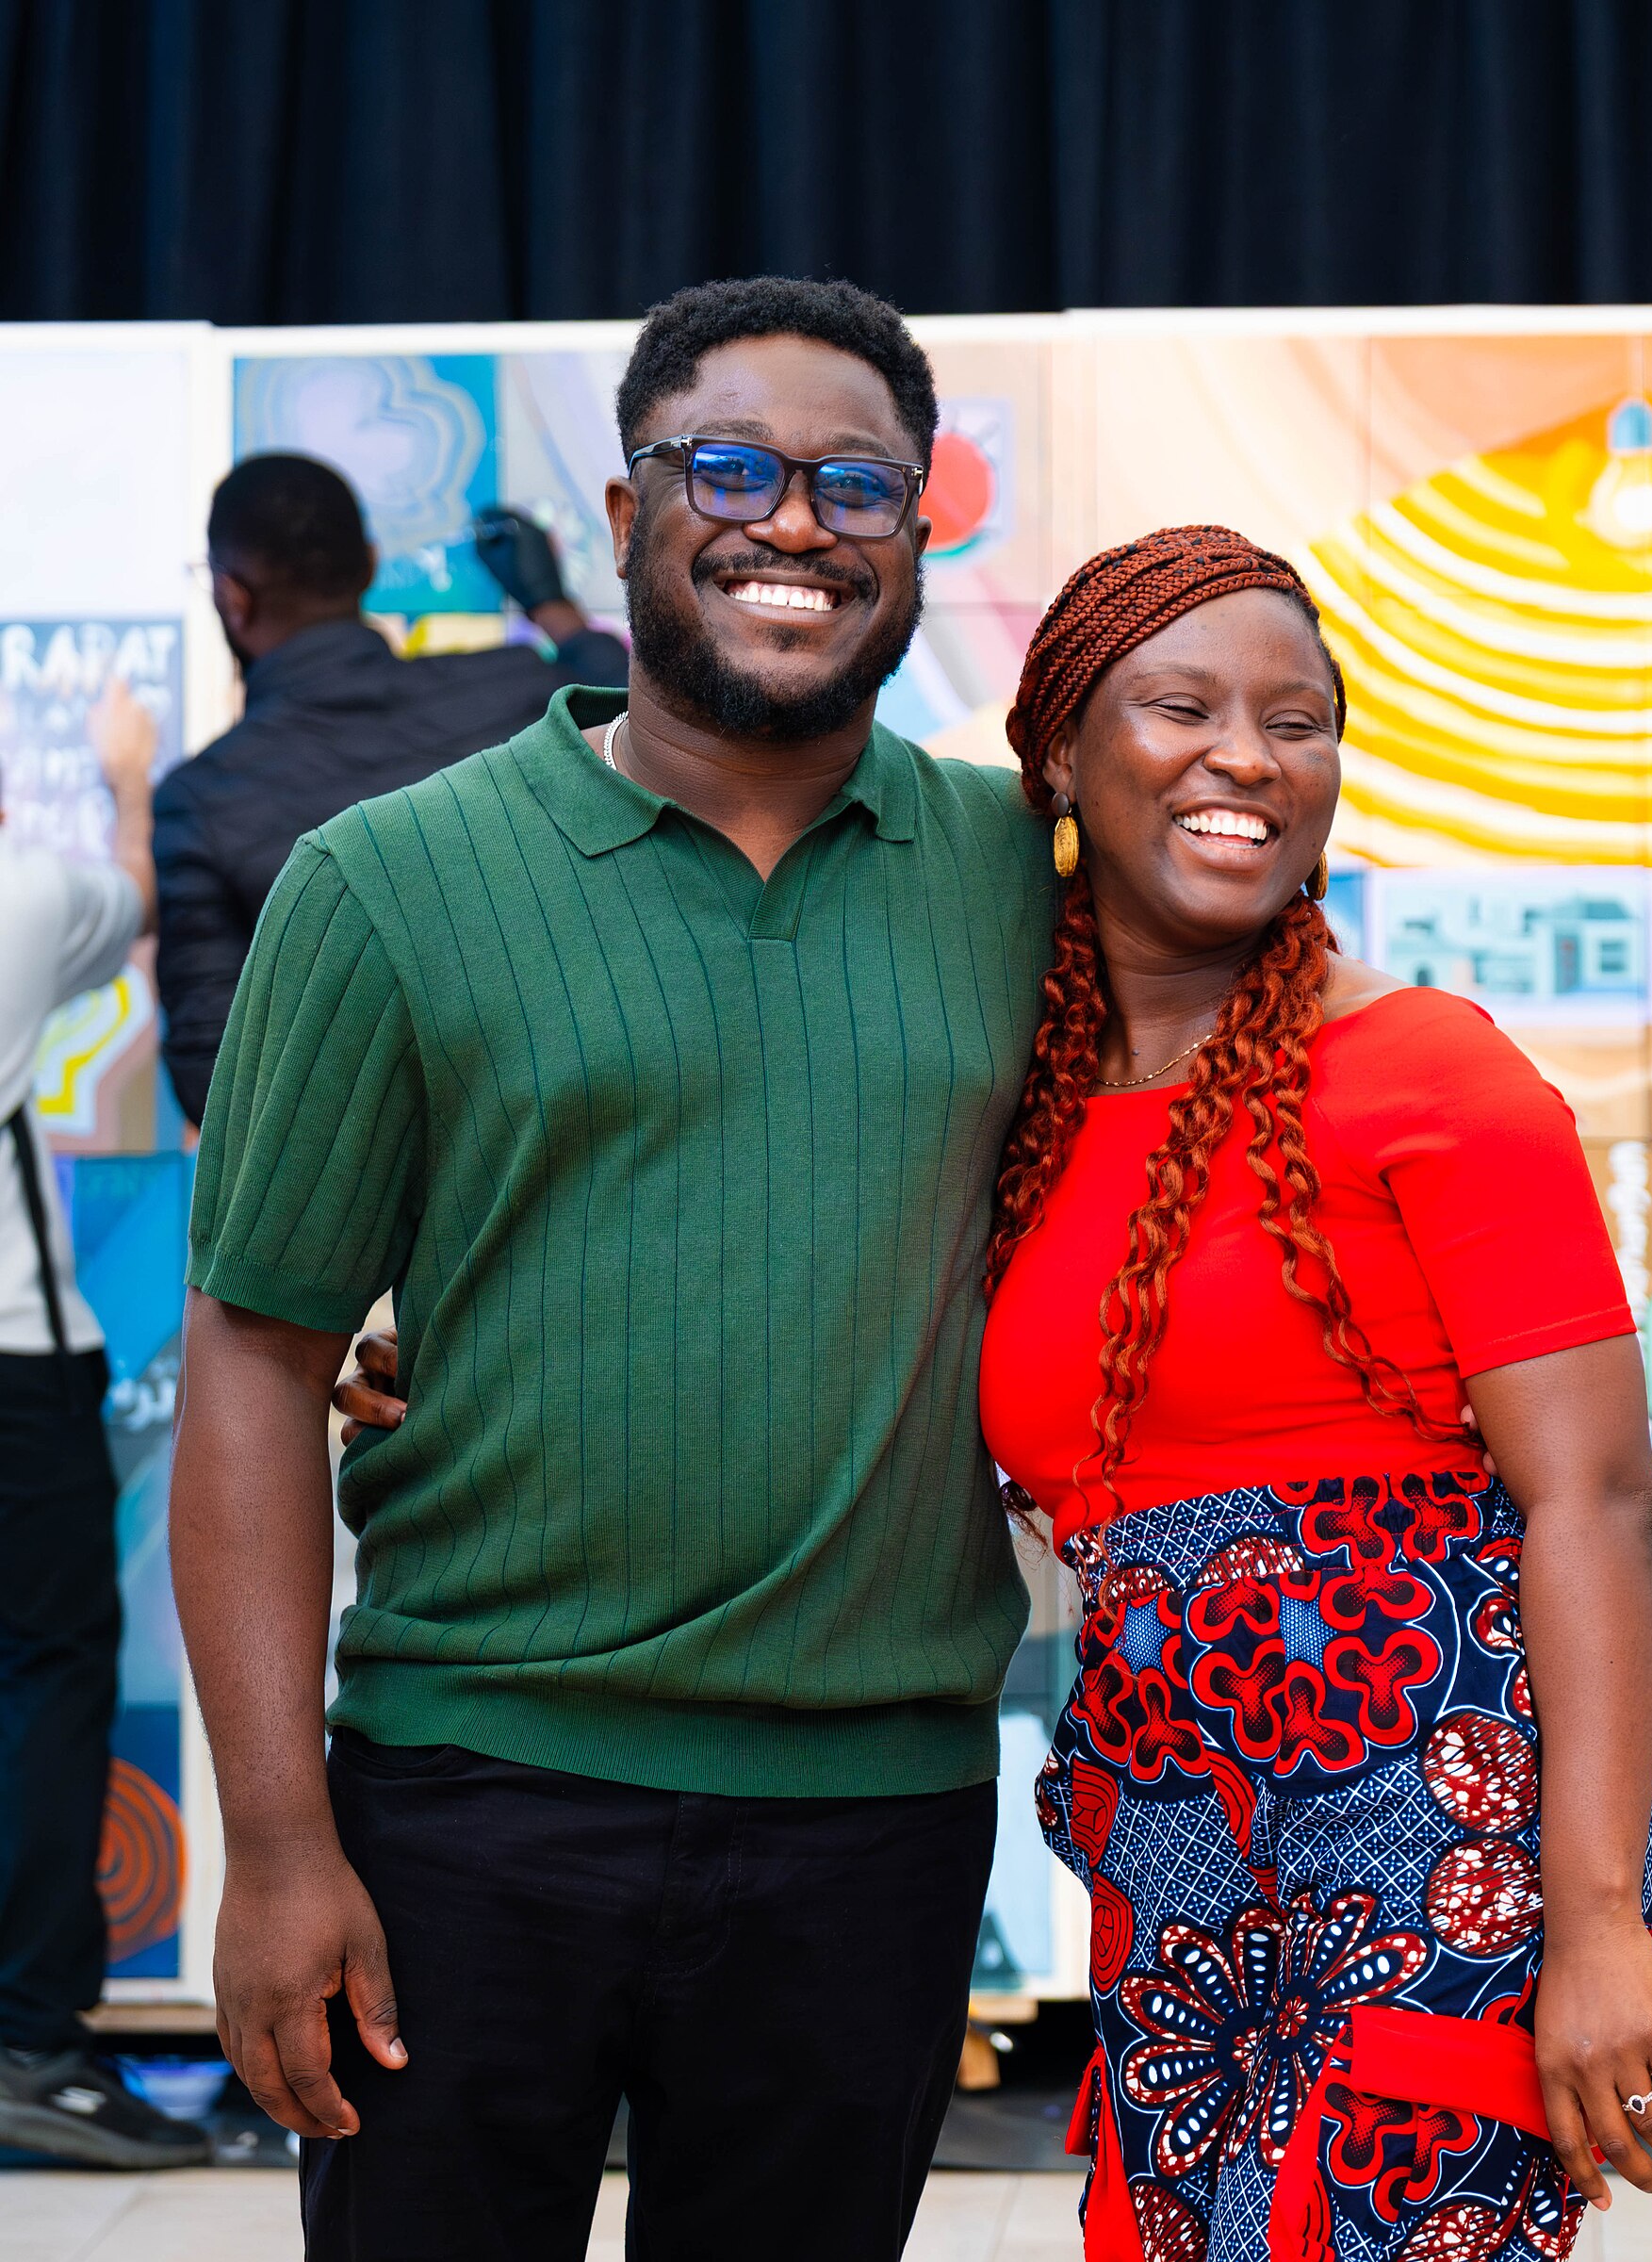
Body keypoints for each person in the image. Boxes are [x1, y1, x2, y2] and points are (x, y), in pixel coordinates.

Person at [168, 278, 1057, 2262]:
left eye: (861, 485)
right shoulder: (387, 883)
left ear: (923, 528)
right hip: (473, 1801)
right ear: (626, 503)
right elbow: (251, 1362)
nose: (795, 525)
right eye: (727, 468)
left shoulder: (1024, 882)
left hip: (875, 1821)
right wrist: (278, 1843)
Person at [975, 526, 1652, 2259]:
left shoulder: (1430, 1075)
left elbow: (1593, 1499)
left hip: (1444, 1818)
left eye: (1298, 721)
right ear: (1064, 755)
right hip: (1175, 1859)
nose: (1249, 756)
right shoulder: (1017, 1121)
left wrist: (1599, 1925)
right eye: (1184, 706)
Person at [152, 454, 629, 1125]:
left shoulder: (198, 802)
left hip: (372, 1213)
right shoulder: (524, 691)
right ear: (370, 565)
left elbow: (214, 1083)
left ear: (233, 596)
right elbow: (640, 720)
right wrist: (554, 608)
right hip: (557, 1167)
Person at [0, 685, 207, 2169]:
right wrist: (126, 778)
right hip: (12, 1363)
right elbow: (130, 896)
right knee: (49, 1675)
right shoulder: (27, 896)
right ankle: (28, 2040)